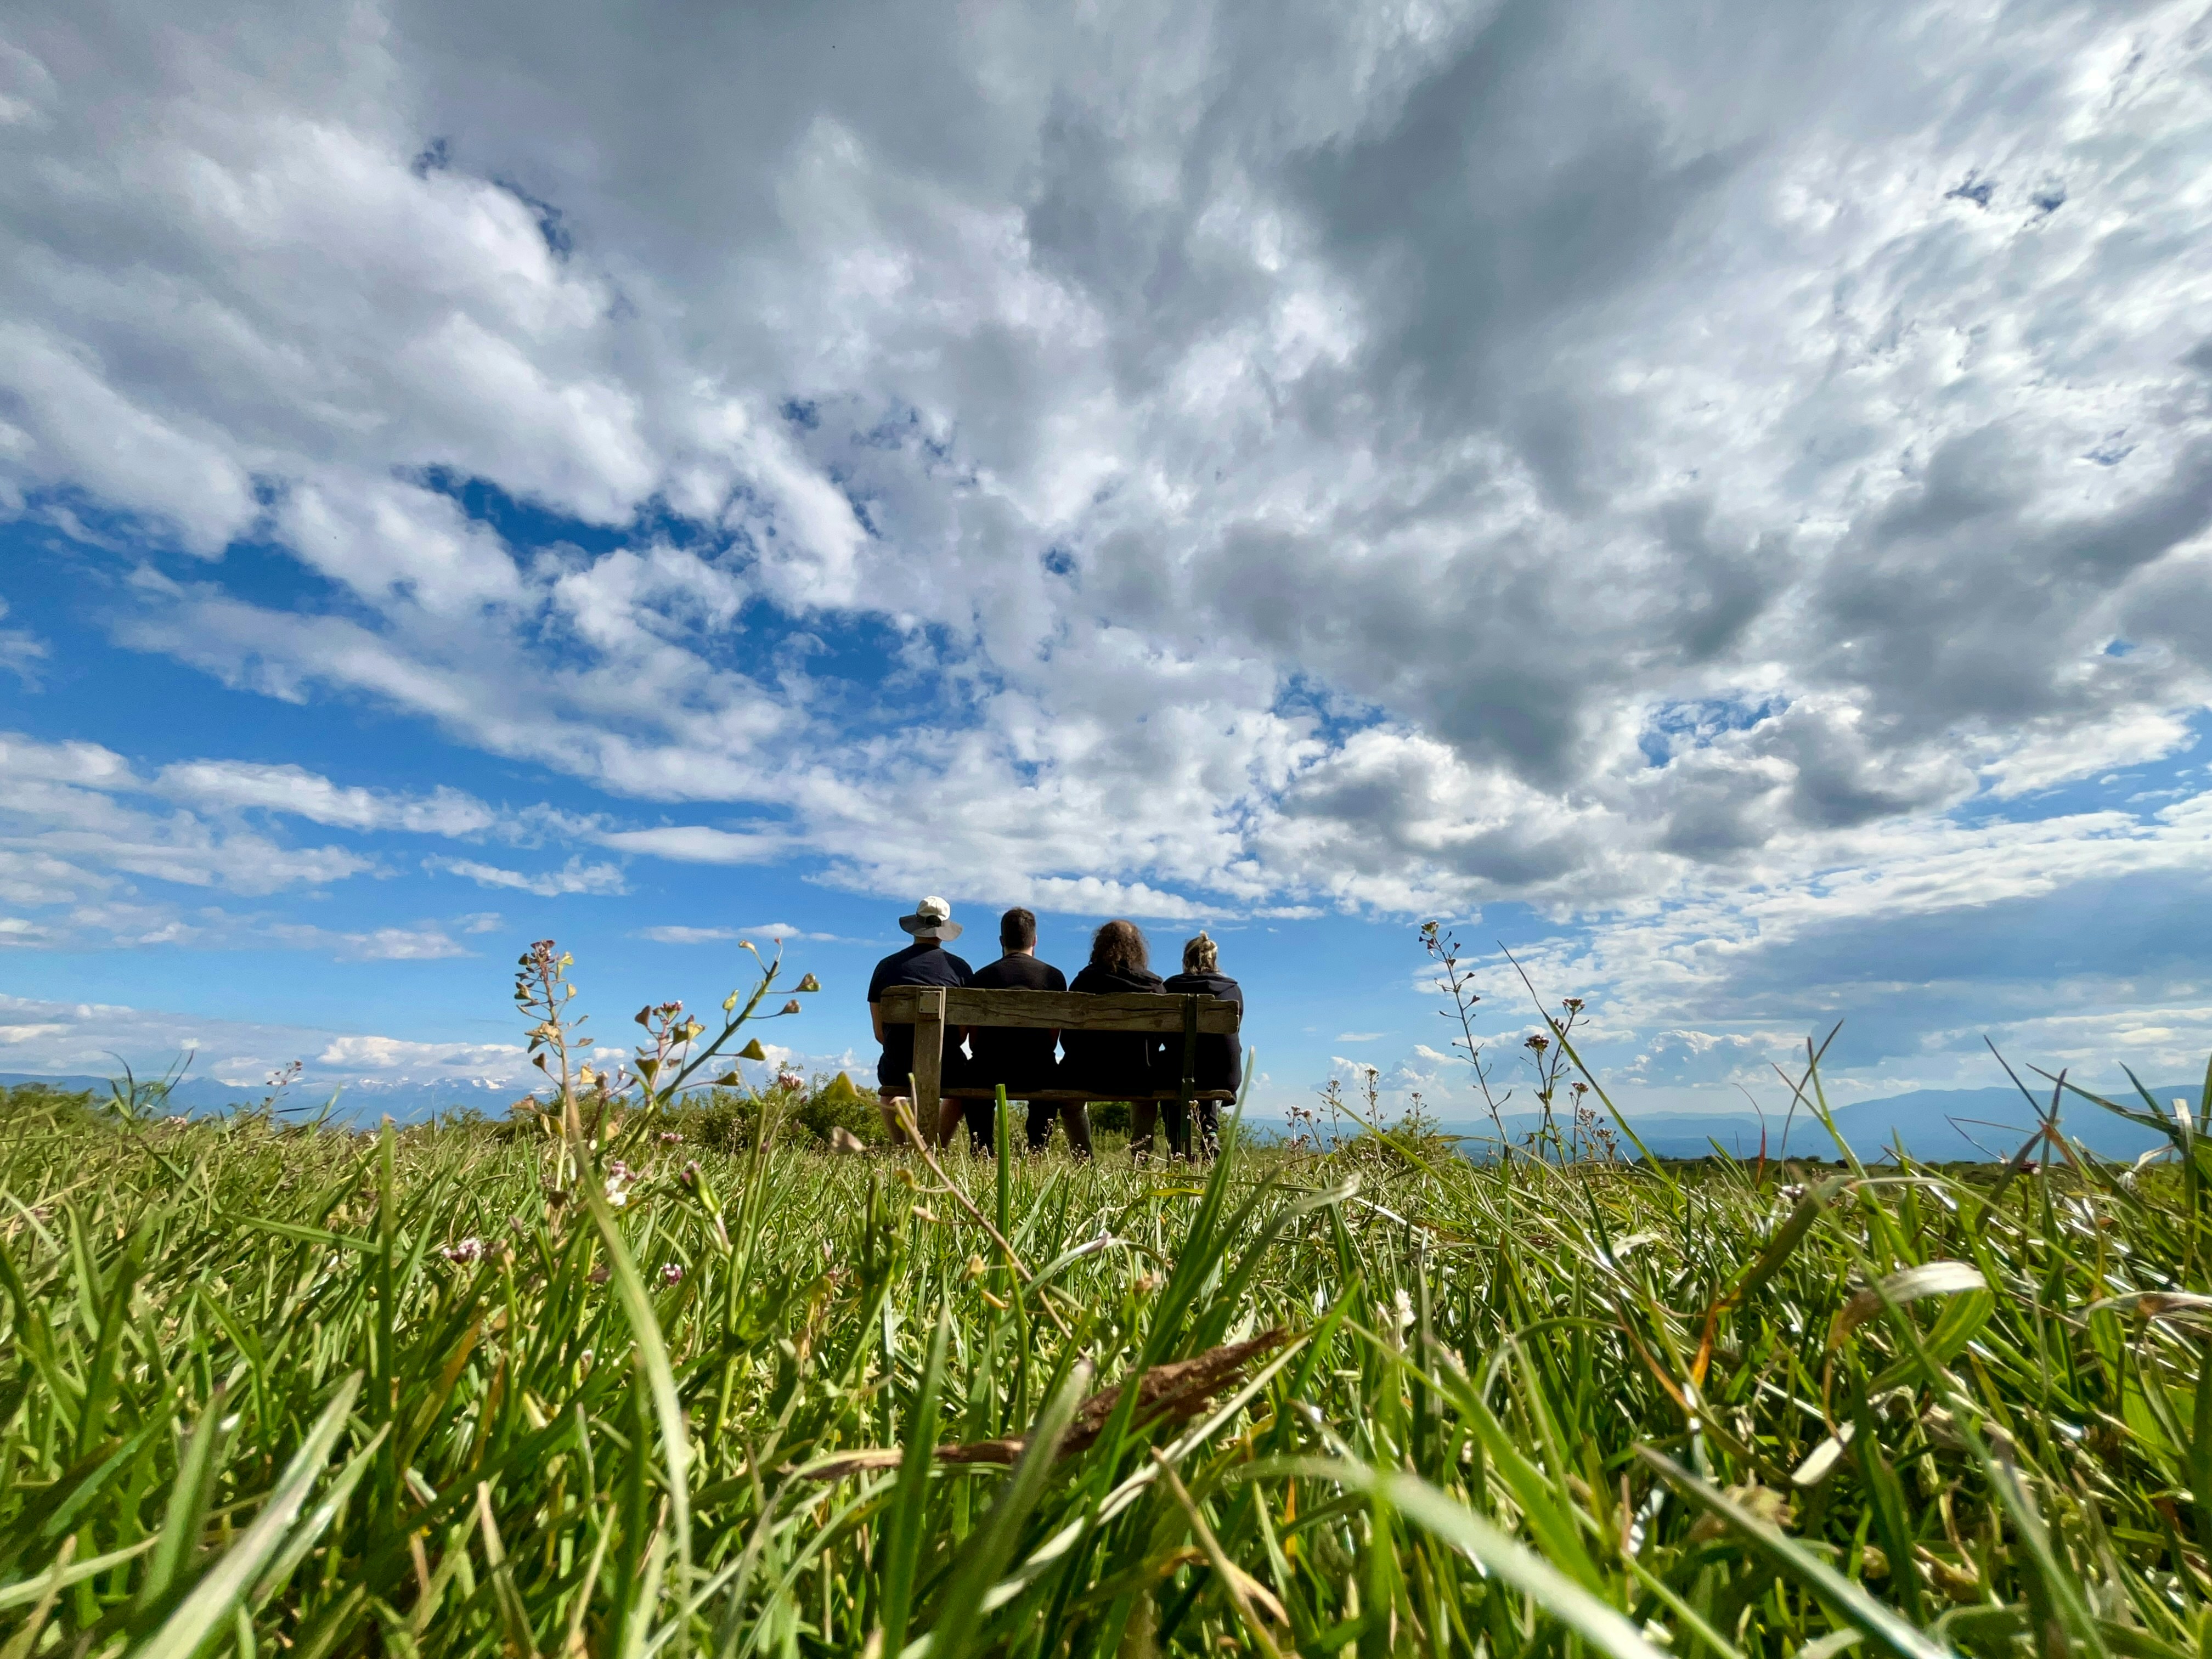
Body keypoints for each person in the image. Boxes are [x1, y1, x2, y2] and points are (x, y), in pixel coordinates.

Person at [967, 907, 1093, 1158]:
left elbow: (974, 1039)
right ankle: (1037, 1146)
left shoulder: (981, 976)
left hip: (988, 1070)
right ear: (1035, 940)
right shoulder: (1054, 978)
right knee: (1049, 1067)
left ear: (1002, 941)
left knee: (973, 1073)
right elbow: (1052, 1037)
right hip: (1038, 1070)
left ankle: (982, 1149)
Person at [866, 896, 973, 1146]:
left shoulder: (886, 967)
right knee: (960, 1091)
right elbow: (962, 1035)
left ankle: (901, 1147)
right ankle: (935, 1146)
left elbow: (880, 1033)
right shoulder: (961, 970)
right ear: (943, 930)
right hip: (947, 1065)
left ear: (916, 925)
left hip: (898, 1065)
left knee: (891, 1092)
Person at [1063, 919, 1171, 1162]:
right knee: (1146, 1096)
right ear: (1137, 947)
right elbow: (1162, 1038)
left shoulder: (1084, 982)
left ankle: (1083, 1160)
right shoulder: (1154, 986)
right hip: (1139, 1075)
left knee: (1069, 1104)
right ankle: (1140, 1160)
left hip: (1087, 1075)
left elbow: (1068, 1037)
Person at [1163, 931, 1242, 1160]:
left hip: (1180, 1071)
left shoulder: (1170, 986)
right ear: (1214, 960)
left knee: (1182, 1069)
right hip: (1225, 1072)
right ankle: (1210, 1134)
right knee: (1204, 1064)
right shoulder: (1231, 989)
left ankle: (1177, 1147)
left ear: (1186, 960)